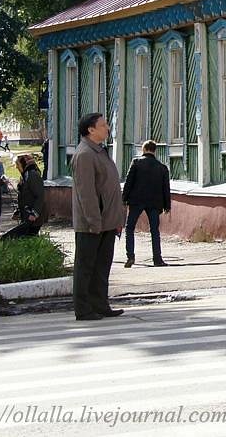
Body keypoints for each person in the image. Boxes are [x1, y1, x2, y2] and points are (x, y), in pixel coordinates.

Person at [71, 113, 126, 321]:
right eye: (103, 125)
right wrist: (94, 221)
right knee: (86, 267)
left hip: (107, 221)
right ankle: (83, 308)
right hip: (92, 223)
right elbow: (87, 194)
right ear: (90, 130)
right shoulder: (85, 154)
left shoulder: (100, 151)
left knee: (102, 266)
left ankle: (100, 304)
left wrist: (117, 218)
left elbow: (109, 187)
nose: (107, 128)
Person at [122, 140, 172, 268]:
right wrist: (167, 205)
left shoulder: (136, 163)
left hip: (136, 200)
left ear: (143, 150)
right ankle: (157, 259)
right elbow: (166, 188)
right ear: (154, 151)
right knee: (154, 230)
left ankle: (130, 257)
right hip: (154, 203)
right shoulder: (162, 167)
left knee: (130, 228)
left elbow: (128, 182)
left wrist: (124, 198)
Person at [1, 155, 46, 240]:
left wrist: (34, 213)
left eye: (18, 165)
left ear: (24, 164)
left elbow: (40, 196)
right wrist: (18, 211)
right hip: (26, 215)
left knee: (30, 237)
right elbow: (22, 196)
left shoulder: (33, 175)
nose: (17, 167)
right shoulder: (24, 176)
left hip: (33, 217)